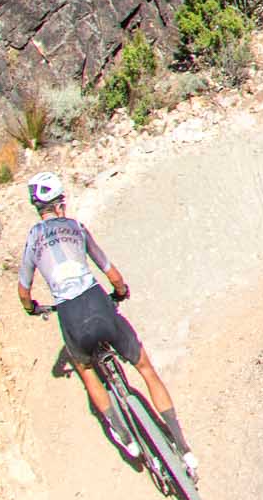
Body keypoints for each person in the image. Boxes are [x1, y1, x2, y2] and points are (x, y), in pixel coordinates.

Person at [16, 173, 197, 477]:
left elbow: (23, 291)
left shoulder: (33, 239)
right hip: (97, 301)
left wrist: (32, 308)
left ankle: (125, 437)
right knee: (145, 368)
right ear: (61, 204)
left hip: (70, 313)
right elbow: (111, 272)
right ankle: (184, 448)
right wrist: (122, 291)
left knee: (87, 372)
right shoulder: (76, 228)